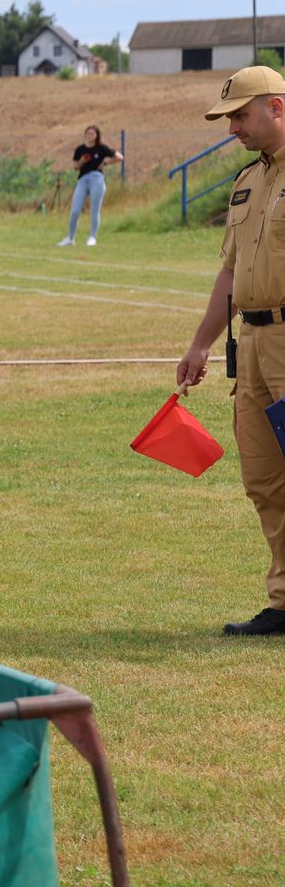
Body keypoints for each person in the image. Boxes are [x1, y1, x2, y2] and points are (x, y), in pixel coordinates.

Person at [175, 65, 285, 635]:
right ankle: (284, 600)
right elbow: (230, 273)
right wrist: (200, 344)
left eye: (239, 115)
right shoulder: (247, 181)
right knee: (264, 478)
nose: (232, 128)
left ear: (276, 107)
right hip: (255, 343)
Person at [58, 126, 122, 247]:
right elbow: (75, 167)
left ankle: (92, 237)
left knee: (94, 209)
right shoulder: (80, 149)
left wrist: (105, 162)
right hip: (82, 180)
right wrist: (81, 161)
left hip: (96, 179)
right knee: (75, 210)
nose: (90, 135)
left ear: (97, 136)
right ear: (85, 135)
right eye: (88, 133)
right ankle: (70, 238)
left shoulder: (101, 148)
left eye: (92, 133)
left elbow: (119, 157)